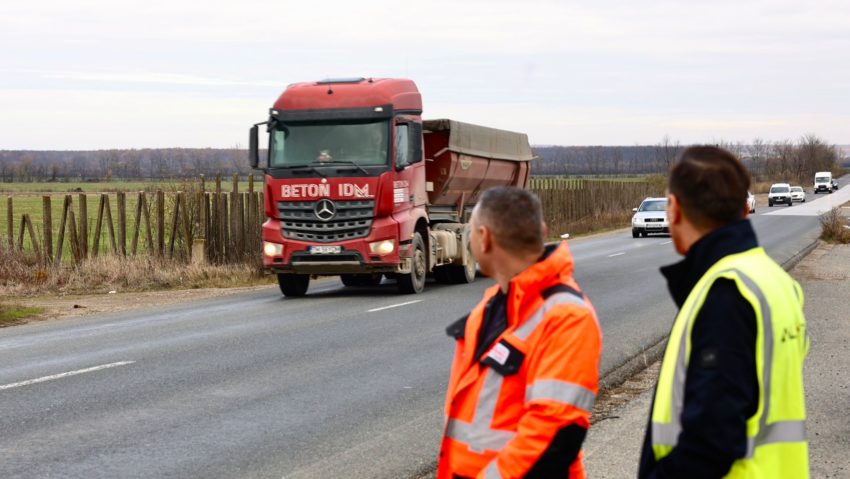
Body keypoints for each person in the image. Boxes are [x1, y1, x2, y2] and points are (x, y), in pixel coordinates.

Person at [638, 146, 809, 478]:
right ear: (745, 209)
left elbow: (710, 441)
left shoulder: (726, 293)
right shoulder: (773, 280)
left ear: (673, 209)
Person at [437, 186, 602, 479]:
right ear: (542, 230)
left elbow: (554, 435)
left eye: (471, 233)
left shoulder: (567, 316)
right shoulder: (490, 307)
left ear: (484, 239)